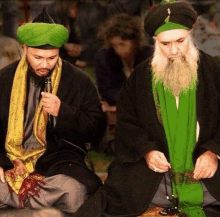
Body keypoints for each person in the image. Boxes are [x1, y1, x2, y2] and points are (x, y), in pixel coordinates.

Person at [74, 0, 220, 216]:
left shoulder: (213, 70)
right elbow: (127, 123)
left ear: (190, 34)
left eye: (180, 41)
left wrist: (213, 152)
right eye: (165, 44)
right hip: (157, 168)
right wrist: (147, 150)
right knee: (119, 195)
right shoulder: (140, 77)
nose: (174, 51)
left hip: (203, 162)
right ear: (155, 42)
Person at [0, 8, 105, 215]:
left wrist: (64, 112)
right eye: (38, 57)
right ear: (24, 49)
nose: (45, 65)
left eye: (52, 58)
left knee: (75, 191)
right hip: (9, 160)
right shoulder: (4, 79)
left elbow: (97, 131)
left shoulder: (78, 80)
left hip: (57, 161)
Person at [95, 13, 153, 152]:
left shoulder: (150, 56)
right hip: (123, 115)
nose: (119, 50)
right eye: (115, 45)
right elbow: (108, 92)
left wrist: (116, 106)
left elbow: (151, 92)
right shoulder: (104, 57)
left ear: (135, 41)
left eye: (123, 44)